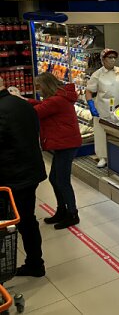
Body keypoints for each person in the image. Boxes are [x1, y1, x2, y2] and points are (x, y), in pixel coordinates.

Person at [0, 76, 47, 277]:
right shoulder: (23, 104)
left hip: (11, 176)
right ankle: (35, 262)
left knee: (8, 222)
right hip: (30, 170)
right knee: (28, 220)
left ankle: (8, 267)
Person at [25, 73, 82, 229]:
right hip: (63, 143)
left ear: (46, 85)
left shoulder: (56, 100)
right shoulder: (59, 97)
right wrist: (25, 101)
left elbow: (36, 112)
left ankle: (72, 214)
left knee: (62, 181)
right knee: (55, 178)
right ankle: (62, 210)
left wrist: (20, 102)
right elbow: (42, 105)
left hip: (66, 144)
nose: (38, 90)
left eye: (39, 86)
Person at [85, 48, 119, 168]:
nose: (112, 60)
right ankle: (103, 157)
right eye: (109, 58)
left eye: (114, 57)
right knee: (101, 132)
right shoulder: (97, 74)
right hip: (103, 107)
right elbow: (89, 91)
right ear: (103, 60)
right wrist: (91, 105)